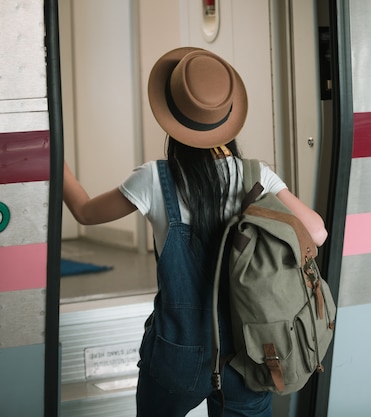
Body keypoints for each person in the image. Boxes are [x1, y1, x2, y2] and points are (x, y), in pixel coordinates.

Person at [63, 47, 328, 417]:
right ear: (228, 116)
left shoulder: (153, 179)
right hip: (249, 353)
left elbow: (85, 212)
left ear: (170, 118)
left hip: (176, 351)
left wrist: (54, 156)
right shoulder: (256, 175)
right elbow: (316, 233)